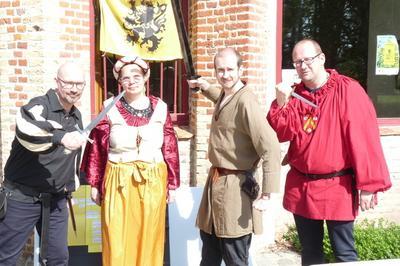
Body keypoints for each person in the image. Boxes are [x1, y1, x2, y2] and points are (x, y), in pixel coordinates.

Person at [267, 39, 392, 266]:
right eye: (297, 62)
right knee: (311, 252)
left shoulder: (348, 90)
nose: (303, 66)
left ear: (321, 58)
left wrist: (369, 185)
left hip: (338, 186)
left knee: (344, 253)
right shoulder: (295, 95)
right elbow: (282, 133)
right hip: (302, 185)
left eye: (307, 59)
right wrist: (280, 102)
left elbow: (365, 139)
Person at [80, 55, 180, 266]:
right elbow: (98, 146)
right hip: (118, 179)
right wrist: (95, 184)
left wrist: (172, 184)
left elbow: (170, 146)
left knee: (149, 235)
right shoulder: (109, 107)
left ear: (146, 77)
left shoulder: (161, 108)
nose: (132, 81)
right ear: (119, 81)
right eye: (126, 77)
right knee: (117, 236)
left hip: (153, 179)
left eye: (136, 75)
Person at [187, 47, 281, 266]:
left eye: (230, 69)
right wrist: (204, 86)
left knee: (234, 256)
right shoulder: (226, 93)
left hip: (235, 190)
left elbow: (271, 147)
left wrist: (267, 194)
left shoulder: (246, 102)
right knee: (209, 254)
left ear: (241, 69)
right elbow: (220, 97)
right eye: (220, 70)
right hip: (215, 184)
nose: (225, 75)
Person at [0, 62, 87, 265]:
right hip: (21, 198)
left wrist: (69, 189)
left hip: (56, 200)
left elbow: (71, 158)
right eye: (68, 83)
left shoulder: (76, 115)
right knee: (6, 258)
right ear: (57, 82)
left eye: (79, 84)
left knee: (58, 259)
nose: (74, 89)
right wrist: (59, 137)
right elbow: (25, 129)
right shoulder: (39, 105)